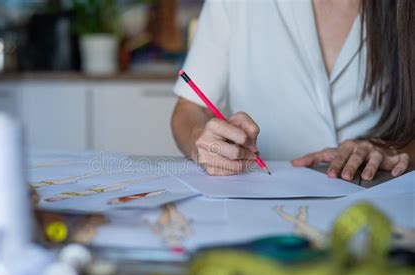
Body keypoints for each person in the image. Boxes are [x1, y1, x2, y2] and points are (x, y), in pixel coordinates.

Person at [171, 0, 414, 180]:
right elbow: (190, 108)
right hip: (256, 195)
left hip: (374, 195)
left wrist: (396, 150)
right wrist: (201, 141)